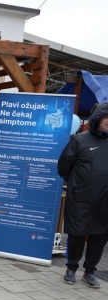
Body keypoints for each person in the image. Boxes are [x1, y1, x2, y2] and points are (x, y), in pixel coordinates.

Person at [58, 103, 108, 289]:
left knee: (99, 237)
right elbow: (64, 166)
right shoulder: (80, 140)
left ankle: (90, 271)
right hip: (81, 199)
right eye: (107, 117)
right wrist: (77, 184)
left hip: (105, 202)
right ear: (98, 118)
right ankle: (71, 268)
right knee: (76, 234)